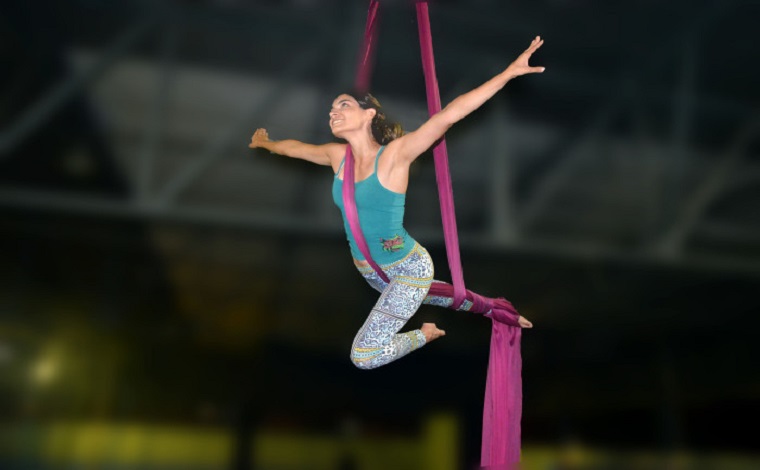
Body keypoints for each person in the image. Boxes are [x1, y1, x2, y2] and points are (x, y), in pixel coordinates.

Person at [249, 37, 544, 369]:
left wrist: (507, 74)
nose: (333, 111)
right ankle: (499, 311)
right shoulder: (337, 157)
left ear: (368, 113)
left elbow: (449, 115)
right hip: (373, 275)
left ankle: (426, 335)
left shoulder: (394, 157)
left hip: (407, 268)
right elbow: (297, 148)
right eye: (331, 108)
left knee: (364, 356)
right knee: (450, 296)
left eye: (343, 104)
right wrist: (268, 143)